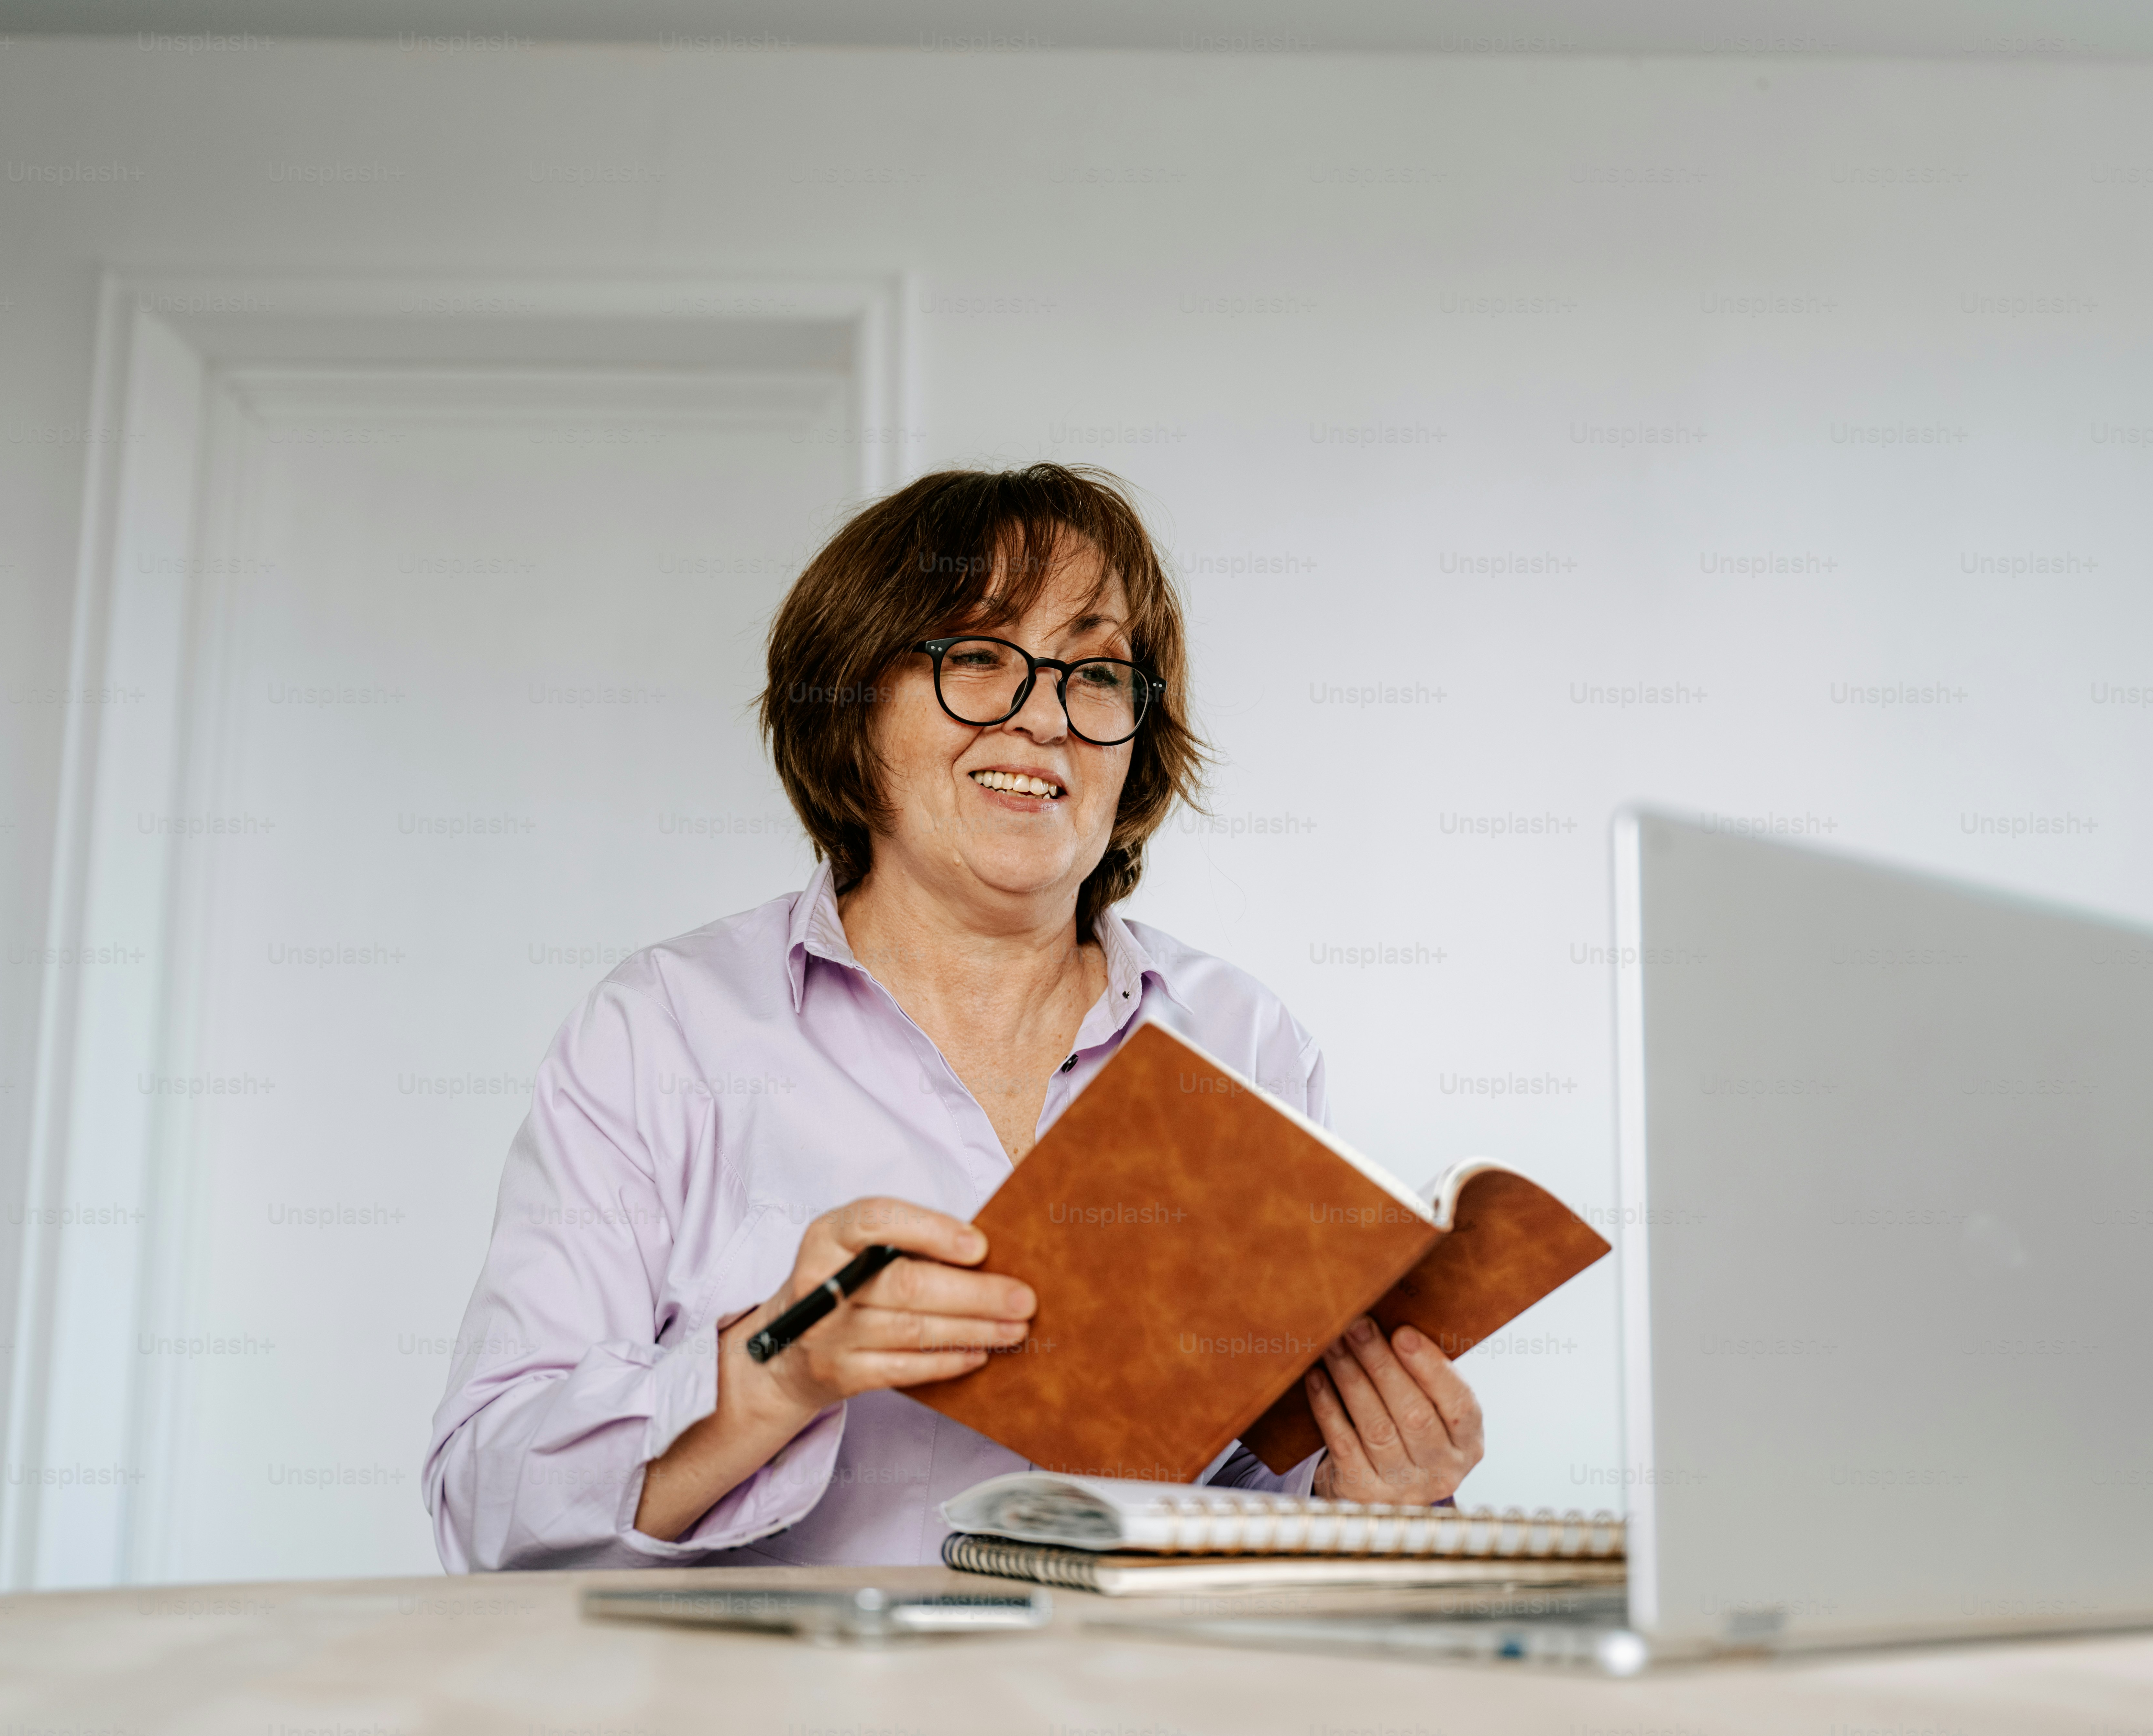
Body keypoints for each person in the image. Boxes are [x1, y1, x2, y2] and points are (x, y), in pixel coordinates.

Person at [423, 464, 1483, 1569]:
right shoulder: (662, 1031)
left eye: (1097, 671)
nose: (1043, 717)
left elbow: (1253, 1489)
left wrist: (1370, 1488)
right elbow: (484, 1504)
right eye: (977, 657)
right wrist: (776, 1369)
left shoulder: (1243, 1039)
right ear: (851, 700)